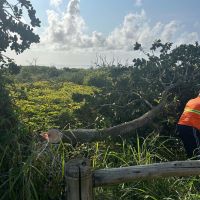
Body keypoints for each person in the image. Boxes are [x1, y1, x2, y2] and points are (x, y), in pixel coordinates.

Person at [177, 93, 200, 158]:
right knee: (197, 153)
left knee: (191, 152)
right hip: (191, 127)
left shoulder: (191, 101)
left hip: (181, 126)